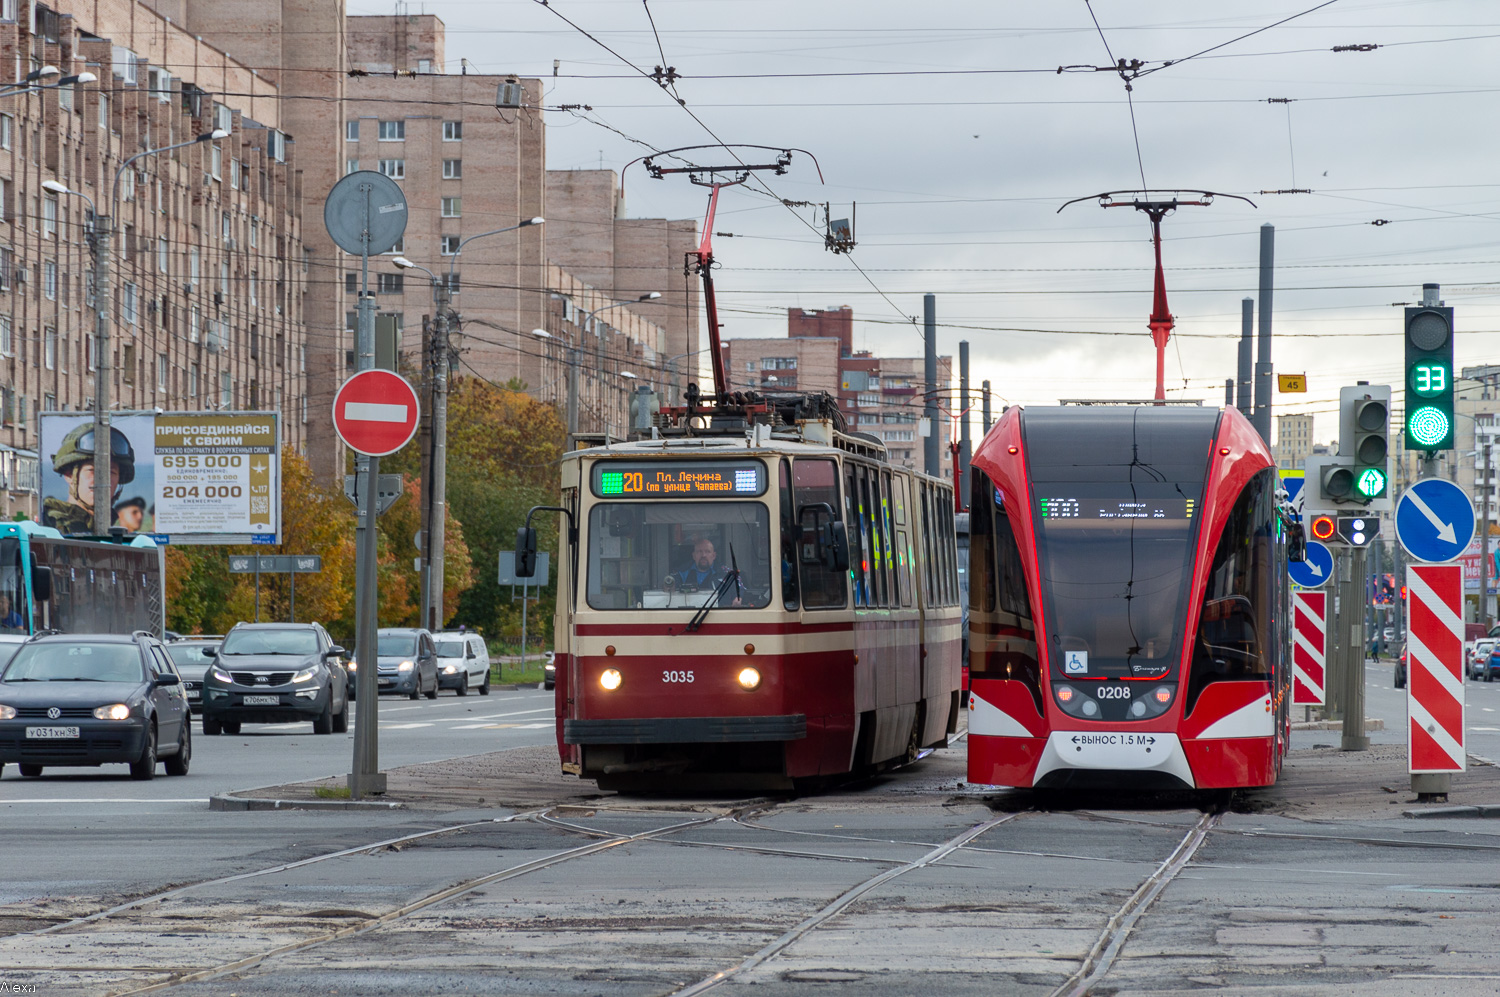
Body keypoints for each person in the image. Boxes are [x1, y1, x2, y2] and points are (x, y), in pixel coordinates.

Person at [42, 424, 135, 535]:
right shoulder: (49, 530)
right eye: (92, 470)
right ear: (69, 475)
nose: (103, 480)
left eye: (111, 472)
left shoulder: (112, 533)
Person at [677, 537, 742, 606]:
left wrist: (738, 597)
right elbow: (669, 584)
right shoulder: (682, 572)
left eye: (707, 551)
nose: (703, 555)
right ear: (694, 556)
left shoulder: (726, 573)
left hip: (720, 615)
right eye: (699, 551)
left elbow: (740, 585)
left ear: (713, 555)